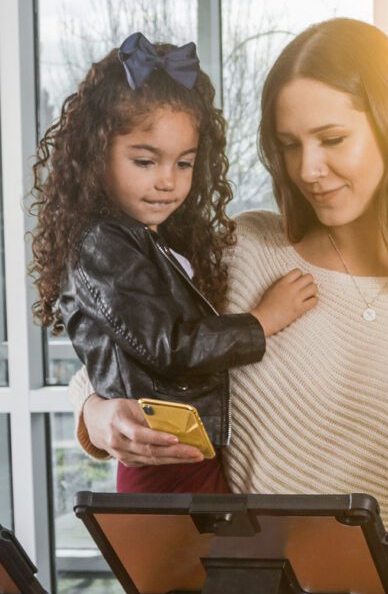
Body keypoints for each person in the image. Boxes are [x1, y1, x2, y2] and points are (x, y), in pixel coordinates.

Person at [68, 19, 388, 594]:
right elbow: (131, 347)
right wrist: (96, 413)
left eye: (333, 140)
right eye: (289, 146)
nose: (307, 169)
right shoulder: (243, 249)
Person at [29, 31, 317, 494]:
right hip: (162, 454)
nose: (168, 182)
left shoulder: (153, 235)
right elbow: (168, 346)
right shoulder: (104, 242)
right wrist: (262, 321)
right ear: (95, 155)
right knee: (190, 567)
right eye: (145, 162)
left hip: (184, 445)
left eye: (184, 164)